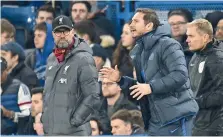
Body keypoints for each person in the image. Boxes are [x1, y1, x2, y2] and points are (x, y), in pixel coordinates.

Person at [100, 8, 198, 136]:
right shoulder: (138, 51)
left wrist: (151, 87)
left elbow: (180, 75)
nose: (131, 25)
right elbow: (142, 87)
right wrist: (121, 79)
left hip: (176, 117)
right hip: (154, 119)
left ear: (149, 26)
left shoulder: (168, 45)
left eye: (136, 21)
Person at [41, 15, 100, 135]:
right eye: (58, 32)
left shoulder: (84, 58)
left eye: (65, 31)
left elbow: (93, 95)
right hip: (52, 132)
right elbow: (48, 94)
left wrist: (75, 121)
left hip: (75, 132)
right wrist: (45, 119)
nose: (62, 35)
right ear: (52, 34)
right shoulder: (51, 59)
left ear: (72, 32)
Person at [187, 19, 223, 136]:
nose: (187, 40)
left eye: (191, 36)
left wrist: (196, 102)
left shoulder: (217, 59)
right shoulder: (195, 56)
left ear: (205, 37)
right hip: (199, 123)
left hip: (214, 127)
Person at [1, 57, 31, 135]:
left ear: (6, 71)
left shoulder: (19, 87)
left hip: (13, 133)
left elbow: (29, 116)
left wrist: (9, 114)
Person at [25, 22, 54, 86]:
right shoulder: (31, 58)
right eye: (35, 35)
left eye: (39, 35)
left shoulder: (61, 57)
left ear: (49, 37)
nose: (35, 39)